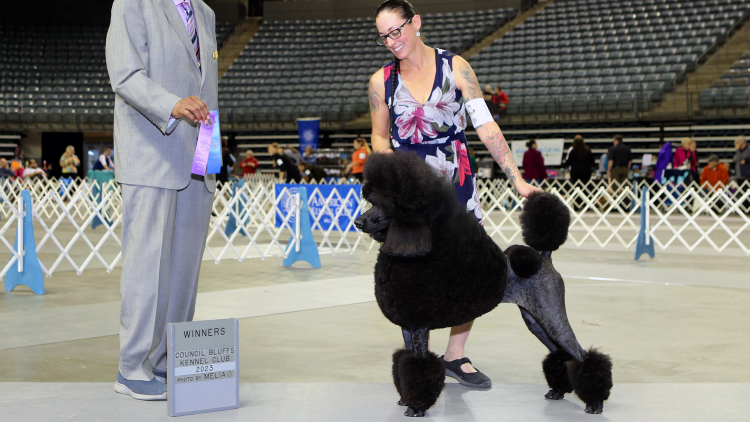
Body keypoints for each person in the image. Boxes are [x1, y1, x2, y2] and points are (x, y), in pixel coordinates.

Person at [368, 0, 540, 389]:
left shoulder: (456, 67)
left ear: (416, 23)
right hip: (409, 187)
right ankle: (417, 362)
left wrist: (516, 178)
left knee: (466, 267)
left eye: (397, 31)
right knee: (411, 272)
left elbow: (486, 125)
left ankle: (455, 354)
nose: (392, 41)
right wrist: (391, 165)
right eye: (384, 37)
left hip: (454, 176)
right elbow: (379, 134)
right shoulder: (381, 82)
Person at [106, 0, 219, 401]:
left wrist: (212, 157)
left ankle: (169, 362)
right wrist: (170, 104)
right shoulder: (132, 3)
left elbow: (207, 86)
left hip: (198, 157)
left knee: (183, 273)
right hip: (152, 150)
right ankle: (132, 367)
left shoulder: (204, 13)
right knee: (147, 265)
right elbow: (124, 74)